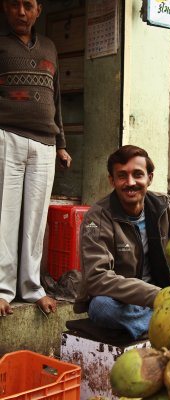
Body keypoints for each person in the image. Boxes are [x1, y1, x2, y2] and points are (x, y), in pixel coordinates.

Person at [0, 0, 72, 317]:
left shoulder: (51, 47)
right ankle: (2, 290)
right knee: (5, 215)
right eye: (14, 5)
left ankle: (32, 288)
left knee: (35, 218)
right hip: (7, 135)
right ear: (4, 8)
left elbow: (56, 96)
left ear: (38, 10)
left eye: (27, 5)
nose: (21, 12)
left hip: (44, 142)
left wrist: (61, 143)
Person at [74, 145, 170, 340]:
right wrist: (158, 297)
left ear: (149, 178)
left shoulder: (167, 207)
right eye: (122, 176)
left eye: (138, 175)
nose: (130, 182)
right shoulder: (98, 217)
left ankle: (150, 323)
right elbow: (97, 278)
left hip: (160, 294)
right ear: (112, 180)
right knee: (101, 307)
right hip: (122, 299)